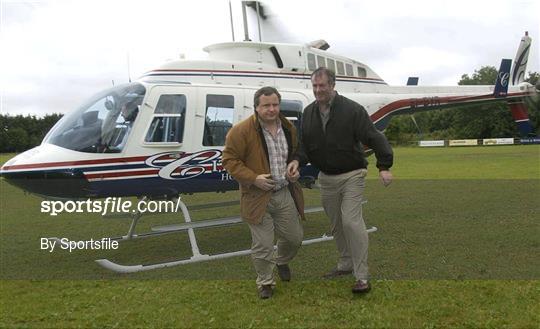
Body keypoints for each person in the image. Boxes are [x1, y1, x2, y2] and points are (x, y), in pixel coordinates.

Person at [287, 67, 393, 294]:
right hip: (326, 178)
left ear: (332, 85)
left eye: (322, 85)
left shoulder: (352, 110)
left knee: (351, 222)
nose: (318, 90)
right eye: (314, 86)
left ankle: (362, 276)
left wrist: (384, 166)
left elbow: (374, 137)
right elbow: (304, 146)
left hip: (352, 175)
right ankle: (345, 264)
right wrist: (296, 160)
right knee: (336, 225)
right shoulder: (308, 113)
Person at [223, 86, 305, 299]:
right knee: (263, 244)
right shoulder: (241, 131)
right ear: (256, 107)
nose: (271, 109)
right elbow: (229, 160)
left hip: (283, 191)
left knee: (295, 238)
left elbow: (295, 151)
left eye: (275, 104)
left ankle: (281, 261)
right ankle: (265, 282)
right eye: (266, 105)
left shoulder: (288, 127)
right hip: (256, 196)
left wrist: (294, 164)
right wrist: (253, 178)